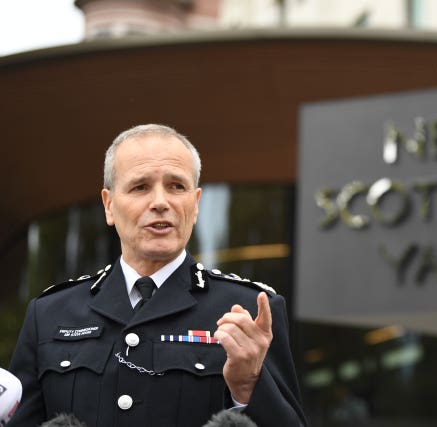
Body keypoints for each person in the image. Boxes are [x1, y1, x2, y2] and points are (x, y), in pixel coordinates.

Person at [8, 124, 307, 426]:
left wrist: (247, 387)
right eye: (140, 187)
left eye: (177, 186)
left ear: (196, 203)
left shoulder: (249, 310)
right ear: (109, 205)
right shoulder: (49, 314)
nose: (161, 202)